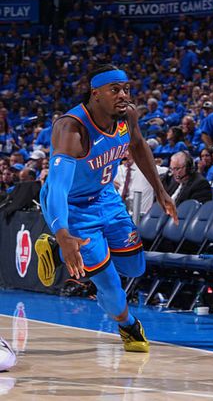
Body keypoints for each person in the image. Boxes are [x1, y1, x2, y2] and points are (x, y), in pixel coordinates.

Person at [35, 65, 178, 353]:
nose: (123, 95)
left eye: (126, 89)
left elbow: (138, 146)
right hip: (74, 208)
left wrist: (161, 190)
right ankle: (128, 325)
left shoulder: (127, 115)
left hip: (106, 198)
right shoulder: (71, 128)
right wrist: (63, 233)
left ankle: (59, 252)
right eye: (115, 90)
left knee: (135, 268)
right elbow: (57, 187)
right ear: (95, 93)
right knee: (111, 286)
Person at [114, 149, 167, 215]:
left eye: (130, 151)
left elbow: (169, 171)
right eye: (125, 151)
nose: (127, 154)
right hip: (120, 213)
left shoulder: (148, 168)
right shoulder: (119, 169)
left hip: (142, 214)